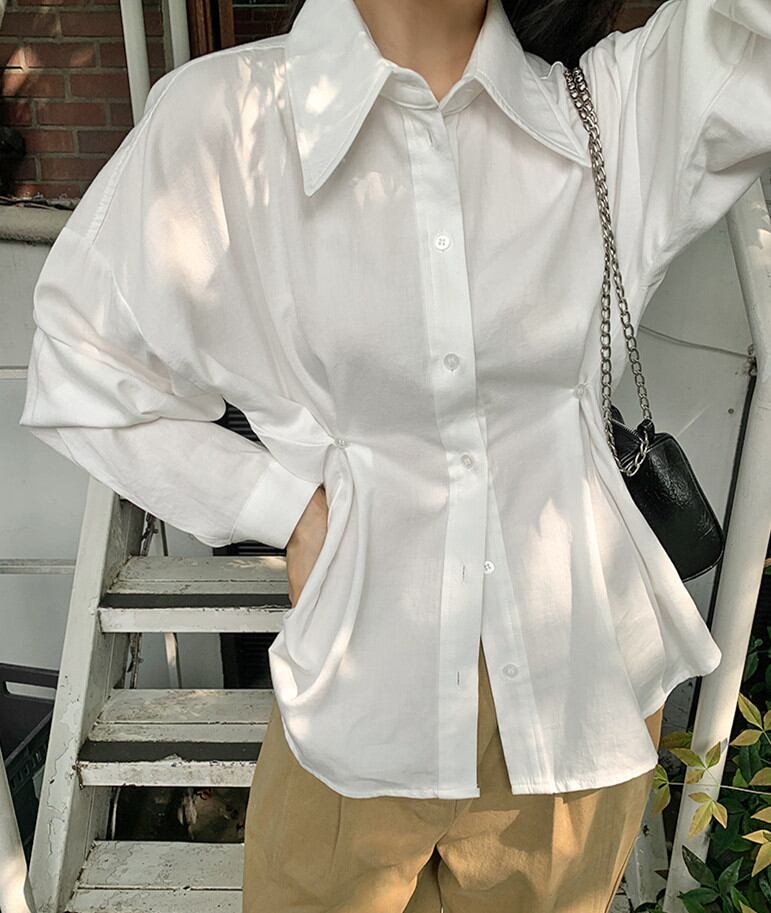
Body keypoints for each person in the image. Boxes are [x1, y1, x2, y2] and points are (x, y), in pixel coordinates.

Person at [18, 0, 770, 909]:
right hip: (360, 690)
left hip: (572, 698)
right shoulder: (227, 120)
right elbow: (82, 359)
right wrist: (280, 507)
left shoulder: (615, 107)